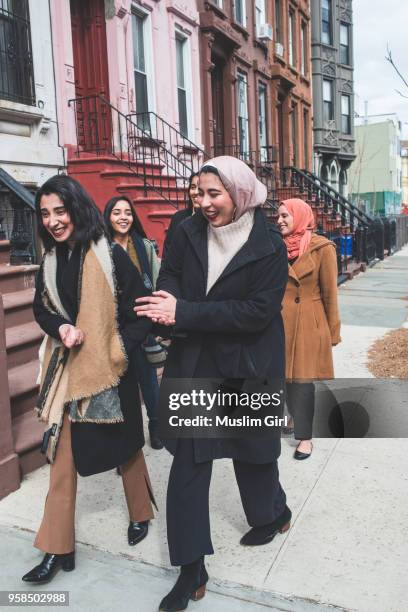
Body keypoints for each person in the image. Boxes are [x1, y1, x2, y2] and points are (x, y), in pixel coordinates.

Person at [135, 156, 291, 612]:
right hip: (197, 359)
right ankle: (190, 568)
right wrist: (169, 312)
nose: (202, 203)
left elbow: (256, 313)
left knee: (253, 451)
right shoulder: (185, 229)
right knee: (188, 464)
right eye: (197, 193)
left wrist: (183, 312)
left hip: (249, 360)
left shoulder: (270, 244)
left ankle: (272, 514)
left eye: (212, 194)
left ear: (238, 193)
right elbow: (170, 281)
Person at [23, 175, 156, 585]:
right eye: (45, 214)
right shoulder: (50, 262)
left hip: (112, 371)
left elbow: (142, 312)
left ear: (76, 209)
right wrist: (61, 327)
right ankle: (56, 548)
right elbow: (42, 308)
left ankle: (141, 513)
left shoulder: (110, 256)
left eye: (59, 211)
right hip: (68, 372)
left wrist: (117, 348)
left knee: (127, 448)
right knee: (61, 457)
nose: (53, 221)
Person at [277, 198, 341, 460]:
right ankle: (291, 420)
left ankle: (305, 438)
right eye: (278, 216)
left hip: (308, 323)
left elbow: (330, 294)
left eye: (285, 216)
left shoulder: (322, 248)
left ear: (300, 217)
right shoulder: (275, 247)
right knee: (282, 378)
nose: (279, 220)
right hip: (280, 322)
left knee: (302, 382)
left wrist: (332, 333)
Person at [103, 195, 163, 450]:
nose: (123, 217)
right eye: (117, 212)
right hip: (114, 325)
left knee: (148, 379)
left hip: (143, 321)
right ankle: (127, 440)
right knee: (121, 385)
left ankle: (157, 425)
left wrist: (158, 319)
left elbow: (157, 280)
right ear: (108, 217)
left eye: (127, 212)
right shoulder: (100, 248)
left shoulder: (144, 246)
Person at [162, 172, 199, 259]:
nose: (196, 192)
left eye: (200, 188)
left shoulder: (213, 221)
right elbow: (167, 253)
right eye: (193, 187)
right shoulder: (178, 218)